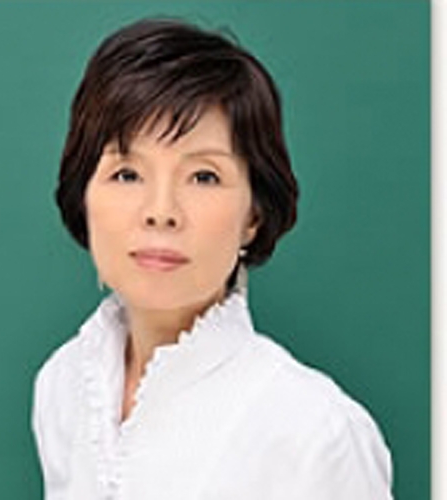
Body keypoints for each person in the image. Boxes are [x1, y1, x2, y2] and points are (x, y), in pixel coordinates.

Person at [32, 18, 394, 500]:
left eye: (203, 177)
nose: (161, 211)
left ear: (253, 215)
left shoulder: (314, 432)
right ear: (83, 196)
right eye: (127, 174)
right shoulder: (63, 386)